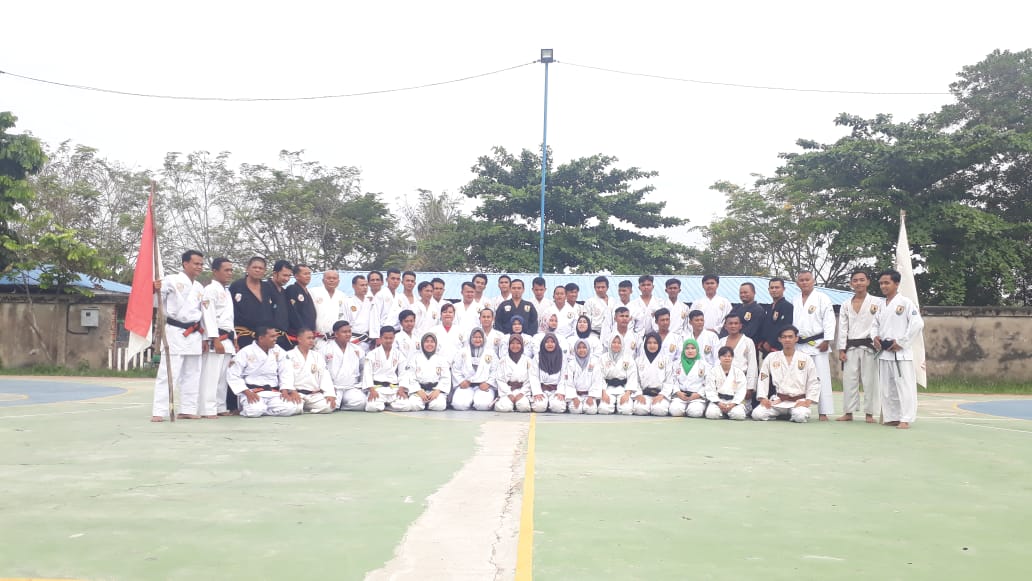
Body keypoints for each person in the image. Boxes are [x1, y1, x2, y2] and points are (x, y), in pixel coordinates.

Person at [151, 250, 207, 422]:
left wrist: (205, 337)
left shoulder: (199, 287)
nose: (199, 267)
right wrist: (155, 289)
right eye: (196, 263)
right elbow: (156, 302)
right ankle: (159, 411)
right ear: (185, 263)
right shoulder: (170, 280)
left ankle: (188, 409)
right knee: (169, 372)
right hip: (175, 331)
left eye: (201, 264)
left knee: (193, 373)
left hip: (194, 333)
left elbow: (203, 314)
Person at [872, 269, 925, 429]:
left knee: (904, 387)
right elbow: (874, 325)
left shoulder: (906, 303)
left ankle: (905, 418)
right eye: (881, 283)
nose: (883, 286)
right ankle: (892, 417)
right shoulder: (880, 305)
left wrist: (901, 342)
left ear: (896, 283)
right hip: (884, 352)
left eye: (887, 283)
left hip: (900, 353)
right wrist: (875, 338)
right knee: (887, 388)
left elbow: (917, 324)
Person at [226, 326, 303, 418]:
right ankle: (259, 409)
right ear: (261, 338)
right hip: (253, 392)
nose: (276, 339)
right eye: (272, 336)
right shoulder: (246, 352)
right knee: (254, 412)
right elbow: (233, 374)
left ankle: (263, 410)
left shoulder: (278, 351)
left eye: (276, 336)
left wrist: (285, 390)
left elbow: (285, 372)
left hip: (272, 392)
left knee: (294, 407)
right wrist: (247, 392)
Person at [837, 269, 882, 423]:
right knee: (849, 380)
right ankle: (848, 412)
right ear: (851, 283)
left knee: (870, 380)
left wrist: (879, 341)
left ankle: (870, 413)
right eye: (855, 280)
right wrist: (841, 349)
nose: (858, 283)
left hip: (870, 345)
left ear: (868, 282)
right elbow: (843, 328)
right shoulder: (845, 304)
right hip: (851, 346)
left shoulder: (877, 302)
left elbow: (880, 324)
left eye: (862, 280)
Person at [751, 326, 820, 423]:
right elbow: (763, 378)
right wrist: (763, 398)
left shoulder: (806, 358)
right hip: (778, 401)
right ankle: (783, 415)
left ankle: (791, 415)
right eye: (784, 337)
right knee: (757, 414)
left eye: (790, 337)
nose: (787, 339)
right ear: (779, 339)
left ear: (796, 338)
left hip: (798, 402)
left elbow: (813, 381)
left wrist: (808, 401)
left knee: (800, 416)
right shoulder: (772, 357)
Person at [792, 270, 836, 420]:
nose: (804, 282)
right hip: (799, 345)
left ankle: (824, 411)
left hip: (818, 343)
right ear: (797, 283)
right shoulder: (795, 299)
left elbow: (829, 320)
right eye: (801, 280)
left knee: (821, 378)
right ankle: (800, 409)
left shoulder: (822, 298)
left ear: (813, 281)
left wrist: (827, 340)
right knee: (800, 378)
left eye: (807, 279)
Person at [199, 257, 235, 417]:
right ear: (215, 271)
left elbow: (229, 318)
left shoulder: (227, 291)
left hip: (228, 336)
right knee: (211, 376)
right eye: (226, 270)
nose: (230, 273)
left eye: (231, 270)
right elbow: (208, 316)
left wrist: (235, 338)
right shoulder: (210, 290)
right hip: (217, 337)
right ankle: (207, 408)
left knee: (222, 376)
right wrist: (214, 338)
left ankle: (220, 406)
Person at [362, 326, 411, 412]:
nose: (388, 340)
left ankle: (386, 406)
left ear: (394, 338)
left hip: (393, 389)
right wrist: (372, 390)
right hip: (378, 389)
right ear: (380, 338)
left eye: (391, 338)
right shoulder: (372, 354)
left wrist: (401, 389)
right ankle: (385, 404)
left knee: (407, 406)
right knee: (371, 407)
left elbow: (403, 373)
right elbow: (367, 373)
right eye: (386, 338)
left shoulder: (398, 354)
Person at [286, 328, 336, 414]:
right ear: (299, 339)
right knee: (293, 408)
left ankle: (307, 410)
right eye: (309, 338)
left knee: (330, 406)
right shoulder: (289, 355)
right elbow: (286, 376)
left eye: (313, 338)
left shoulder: (317, 356)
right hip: (297, 393)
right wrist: (291, 391)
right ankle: (301, 407)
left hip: (313, 395)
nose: (312, 341)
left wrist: (329, 393)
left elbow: (325, 376)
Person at [229, 256, 275, 350]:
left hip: (263, 337)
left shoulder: (267, 287)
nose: (257, 270)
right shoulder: (237, 286)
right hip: (243, 335)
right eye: (254, 267)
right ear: (247, 269)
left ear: (264, 271)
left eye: (261, 268)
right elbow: (229, 311)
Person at [399, 332, 452, 411]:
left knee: (439, 406)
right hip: (419, 390)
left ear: (435, 344)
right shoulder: (415, 358)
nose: (429, 344)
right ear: (422, 343)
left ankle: (428, 404)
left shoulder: (441, 359)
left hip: (435, 390)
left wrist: (438, 390)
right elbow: (411, 376)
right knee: (414, 405)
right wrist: (418, 390)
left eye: (432, 342)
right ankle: (425, 403)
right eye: (427, 341)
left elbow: (446, 377)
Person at [321, 320, 365, 411]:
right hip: (333, 388)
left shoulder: (357, 349)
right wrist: (327, 388)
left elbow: (363, 369)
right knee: (328, 406)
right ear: (336, 334)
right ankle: (337, 404)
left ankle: (341, 406)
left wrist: (361, 385)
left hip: (351, 387)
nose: (348, 334)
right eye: (344, 332)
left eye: (349, 331)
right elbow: (321, 371)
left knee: (362, 402)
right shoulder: (325, 349)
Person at [451, 327, 498, 412]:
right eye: (475, 337)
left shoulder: (490, 353)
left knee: (483, 406)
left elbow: (495, 370)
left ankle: (476, 401)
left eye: (480, 337)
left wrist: (488, 383)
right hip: (466, 385)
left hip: (483, 386)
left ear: (483, 339)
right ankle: (470, 401)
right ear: (471, 338)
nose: (477, 339)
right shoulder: (462, 352)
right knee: (459, 405)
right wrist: (461, 381)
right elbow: (456, 369)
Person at [719, 313, 758, 412]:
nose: (733, 326)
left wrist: (750, 388)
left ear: (741, 325)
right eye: (730, 323)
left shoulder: (748, 342)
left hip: (741, 382)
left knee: (738, 413)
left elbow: (752, 365)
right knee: (714, 413)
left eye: (736, 323)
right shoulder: (721, 342)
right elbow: (716, 363)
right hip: (722, 381)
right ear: (725, 326)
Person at [494, 335, 541, 413]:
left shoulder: (528, 361)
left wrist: (522, 393)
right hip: (507, 390)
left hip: (522, 390)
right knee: (505, 407)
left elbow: (530, 379)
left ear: (522, 345)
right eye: (512, 343)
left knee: (524, 407)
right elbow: (500, 379)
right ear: (509, 345)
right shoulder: (503, 361)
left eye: (518, 343)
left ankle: (517, 404)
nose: (515, 346)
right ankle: (498, 402)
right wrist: (509, 393)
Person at [598, 335, 639, 415]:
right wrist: (603, 393)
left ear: (622, 344)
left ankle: (617, 406)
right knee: (603, 409)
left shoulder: (628, 358)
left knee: (627, 410)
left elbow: (632, 377)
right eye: (614, 342)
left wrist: (627, 394)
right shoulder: (603, 358)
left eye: (619, 343)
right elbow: (599, 377)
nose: (616, 345)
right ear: (610, 343)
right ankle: (614, 406)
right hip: (607, 389)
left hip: (623, 389)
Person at [704, 346, 748, 420]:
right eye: (724, 356)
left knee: (739, 415)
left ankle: (726, 413)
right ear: (719, 357)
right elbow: (710, 390)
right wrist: (719, 403)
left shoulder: (738, 372)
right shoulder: (713, 372)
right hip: (718, 400)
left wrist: (733, 404)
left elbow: (741, 391)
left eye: (729, 356)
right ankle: (724, 414)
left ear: (732, 358)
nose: (727, 358)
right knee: (711, 414)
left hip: (733, 401)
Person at [634, 332, 672, 416]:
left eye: (655, 343)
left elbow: (669, 381)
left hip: (660, 394)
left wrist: (662, 395)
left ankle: (653, 407)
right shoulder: (638, 360)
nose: (652, 345)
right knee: (640, 410)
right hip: (644, 394)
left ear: (659, 344)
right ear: (645, 344)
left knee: (659, 410)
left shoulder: (666, 360)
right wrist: (639, 394)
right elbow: (635, 381)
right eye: (649, 343)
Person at [669, 339, 708, 418]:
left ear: (697, 350)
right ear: (683, 350)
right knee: (675, 411)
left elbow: (708, 383)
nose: (690, 351)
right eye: (687, 348)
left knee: (695, 412)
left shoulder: (704, 365)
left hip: (696, 396)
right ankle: (684, 409)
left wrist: (699, 394)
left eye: (693, 348)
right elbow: (673, 380)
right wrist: (678, 392)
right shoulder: (677, 364)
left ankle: (691, 409)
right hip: (680, 396)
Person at [565, 338, 603, 414]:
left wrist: (591, 396)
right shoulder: (571, 364)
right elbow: (568, 383)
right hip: (575, 395)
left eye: (584, 347)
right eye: (579, 348)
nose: (581, 350)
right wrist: (574, 397)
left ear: (588, 349)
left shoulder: (594, 362)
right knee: (575, 410)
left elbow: (597, 381)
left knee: (591, 410)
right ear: (575, 349)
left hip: (589, 395)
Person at [311, 270, 347, 346]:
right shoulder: (313, 292)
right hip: (317, 337)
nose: (331, 280)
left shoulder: (342, 296)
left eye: (334, 278)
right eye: (329, 278)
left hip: (336, 338)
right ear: (323, 280)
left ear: (338, 281)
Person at [759, 277, 793, 357]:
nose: (774, 290)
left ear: (783, 289)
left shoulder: (787, 306)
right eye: (772, 288)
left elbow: (784, 327)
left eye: (777, 287)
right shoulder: (769, 307)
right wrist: (762, 341)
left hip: (779, 347)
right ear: (768, 290)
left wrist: (770, 342)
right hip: (766, 348)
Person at [343, 274, 376, 354]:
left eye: (366, 285)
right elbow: (344, 323)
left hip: (369, 340)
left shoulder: (371, 302)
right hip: (353, 339)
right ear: (353, 286)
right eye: (362, 285)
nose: (365, 287)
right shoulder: (347, 302)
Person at [285, 264, 317, 346]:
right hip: (298, 333)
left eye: (309, 274)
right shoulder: (292, 289)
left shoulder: (307, 291)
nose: (308, 276)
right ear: (296, 276)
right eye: (305, 274)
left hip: (309, 333)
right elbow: (293, 312)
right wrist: (302, 330)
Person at [535, 333, 567, 413]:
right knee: (539, 407)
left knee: (558, 408)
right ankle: (546, 403)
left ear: (556, 343)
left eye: (552, 342)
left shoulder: (562, 357)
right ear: (543, 344)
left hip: (556, 390)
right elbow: (534, 376)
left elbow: (564, 376)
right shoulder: (537, 357)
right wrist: (537, 392)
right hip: (542, 390)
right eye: (547, 342)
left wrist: (560, 391)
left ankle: (551, 404)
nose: (550, 344)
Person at [269, 259, 294, 350]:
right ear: (275, 273)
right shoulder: (265, 288)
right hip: (269, 337)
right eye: (284, 275)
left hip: (283, 337)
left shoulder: (284, 292)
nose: (287, 279)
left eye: (289, 276)